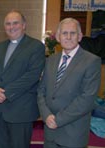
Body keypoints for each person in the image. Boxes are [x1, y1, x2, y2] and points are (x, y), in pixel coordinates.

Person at [37, 18, 101, 148]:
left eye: (73, 33)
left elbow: (87, 99)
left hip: (73, 134)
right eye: (64, 33)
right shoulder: (51, 60)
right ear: (58, 37)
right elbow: (41, 91)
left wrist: (58, 120)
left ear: (80, 36)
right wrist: (46, 115)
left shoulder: (91, 61)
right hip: (50, 132)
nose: (68, 37)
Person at [0, 10, 45, 148]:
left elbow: (32, 75)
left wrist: (5, 93)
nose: (11, 27)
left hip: (21, 109)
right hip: (0, 110)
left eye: (15, 23)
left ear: (24, 25)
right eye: (8, 24)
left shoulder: (36, 46)